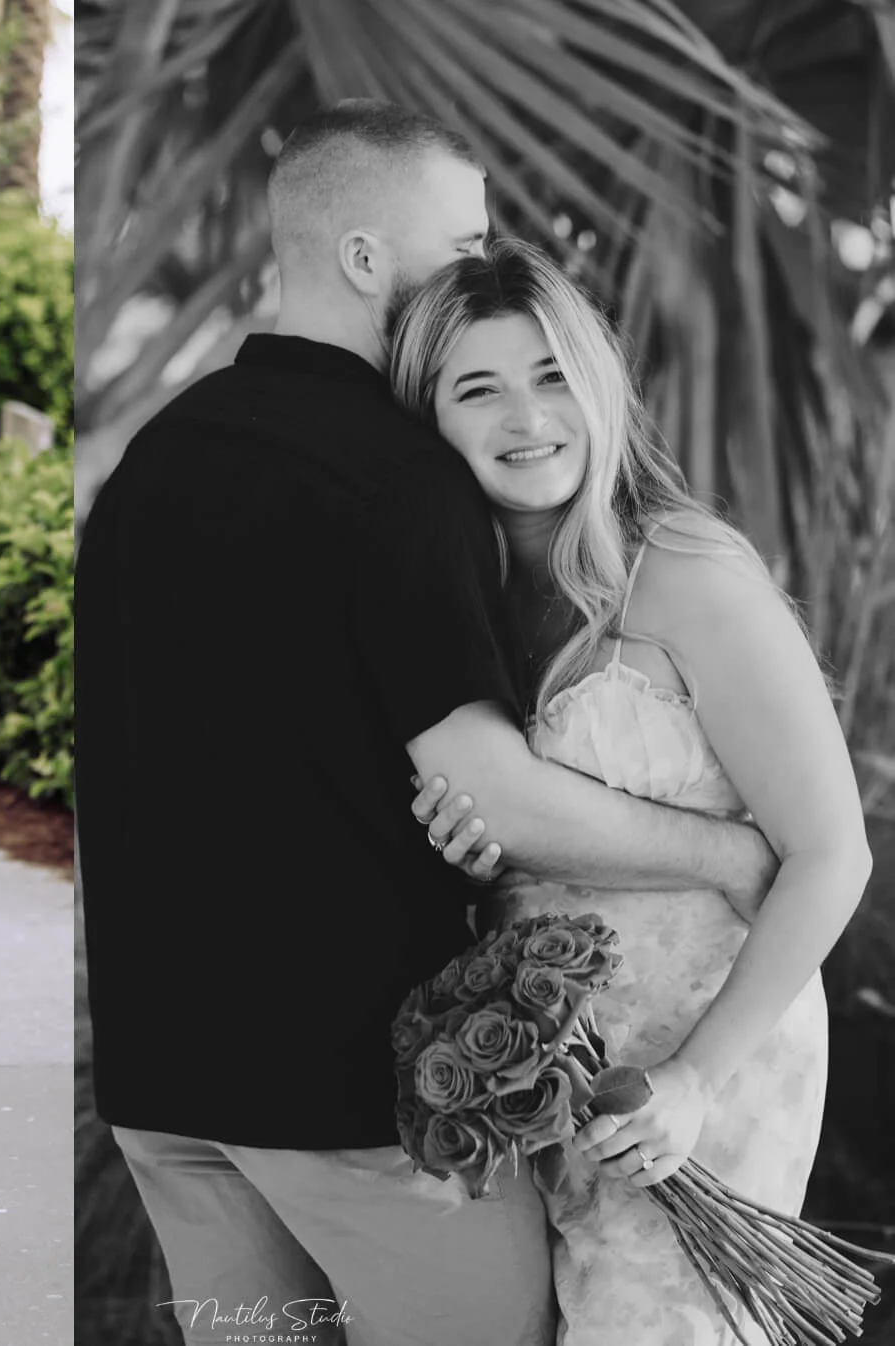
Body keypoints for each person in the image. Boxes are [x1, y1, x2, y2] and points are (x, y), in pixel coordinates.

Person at [75, 100, 783, 1346]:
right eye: (463, 241)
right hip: (350, 1101)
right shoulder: (398, 476)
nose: (481, 264)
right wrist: (720, 852)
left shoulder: (152, 461)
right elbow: (493, 790)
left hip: (161, 1089)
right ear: (363, 258)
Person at [392, 236, 870, 1344]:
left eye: (553, 373)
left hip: (709, 1043)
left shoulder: (689, 570)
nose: (528, 417)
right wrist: (475, 849)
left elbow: (832, 851)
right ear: (431, 419)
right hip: (531, 1070)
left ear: (599, 384)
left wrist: (698, 1079)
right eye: (480, 388)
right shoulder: (457, 603)